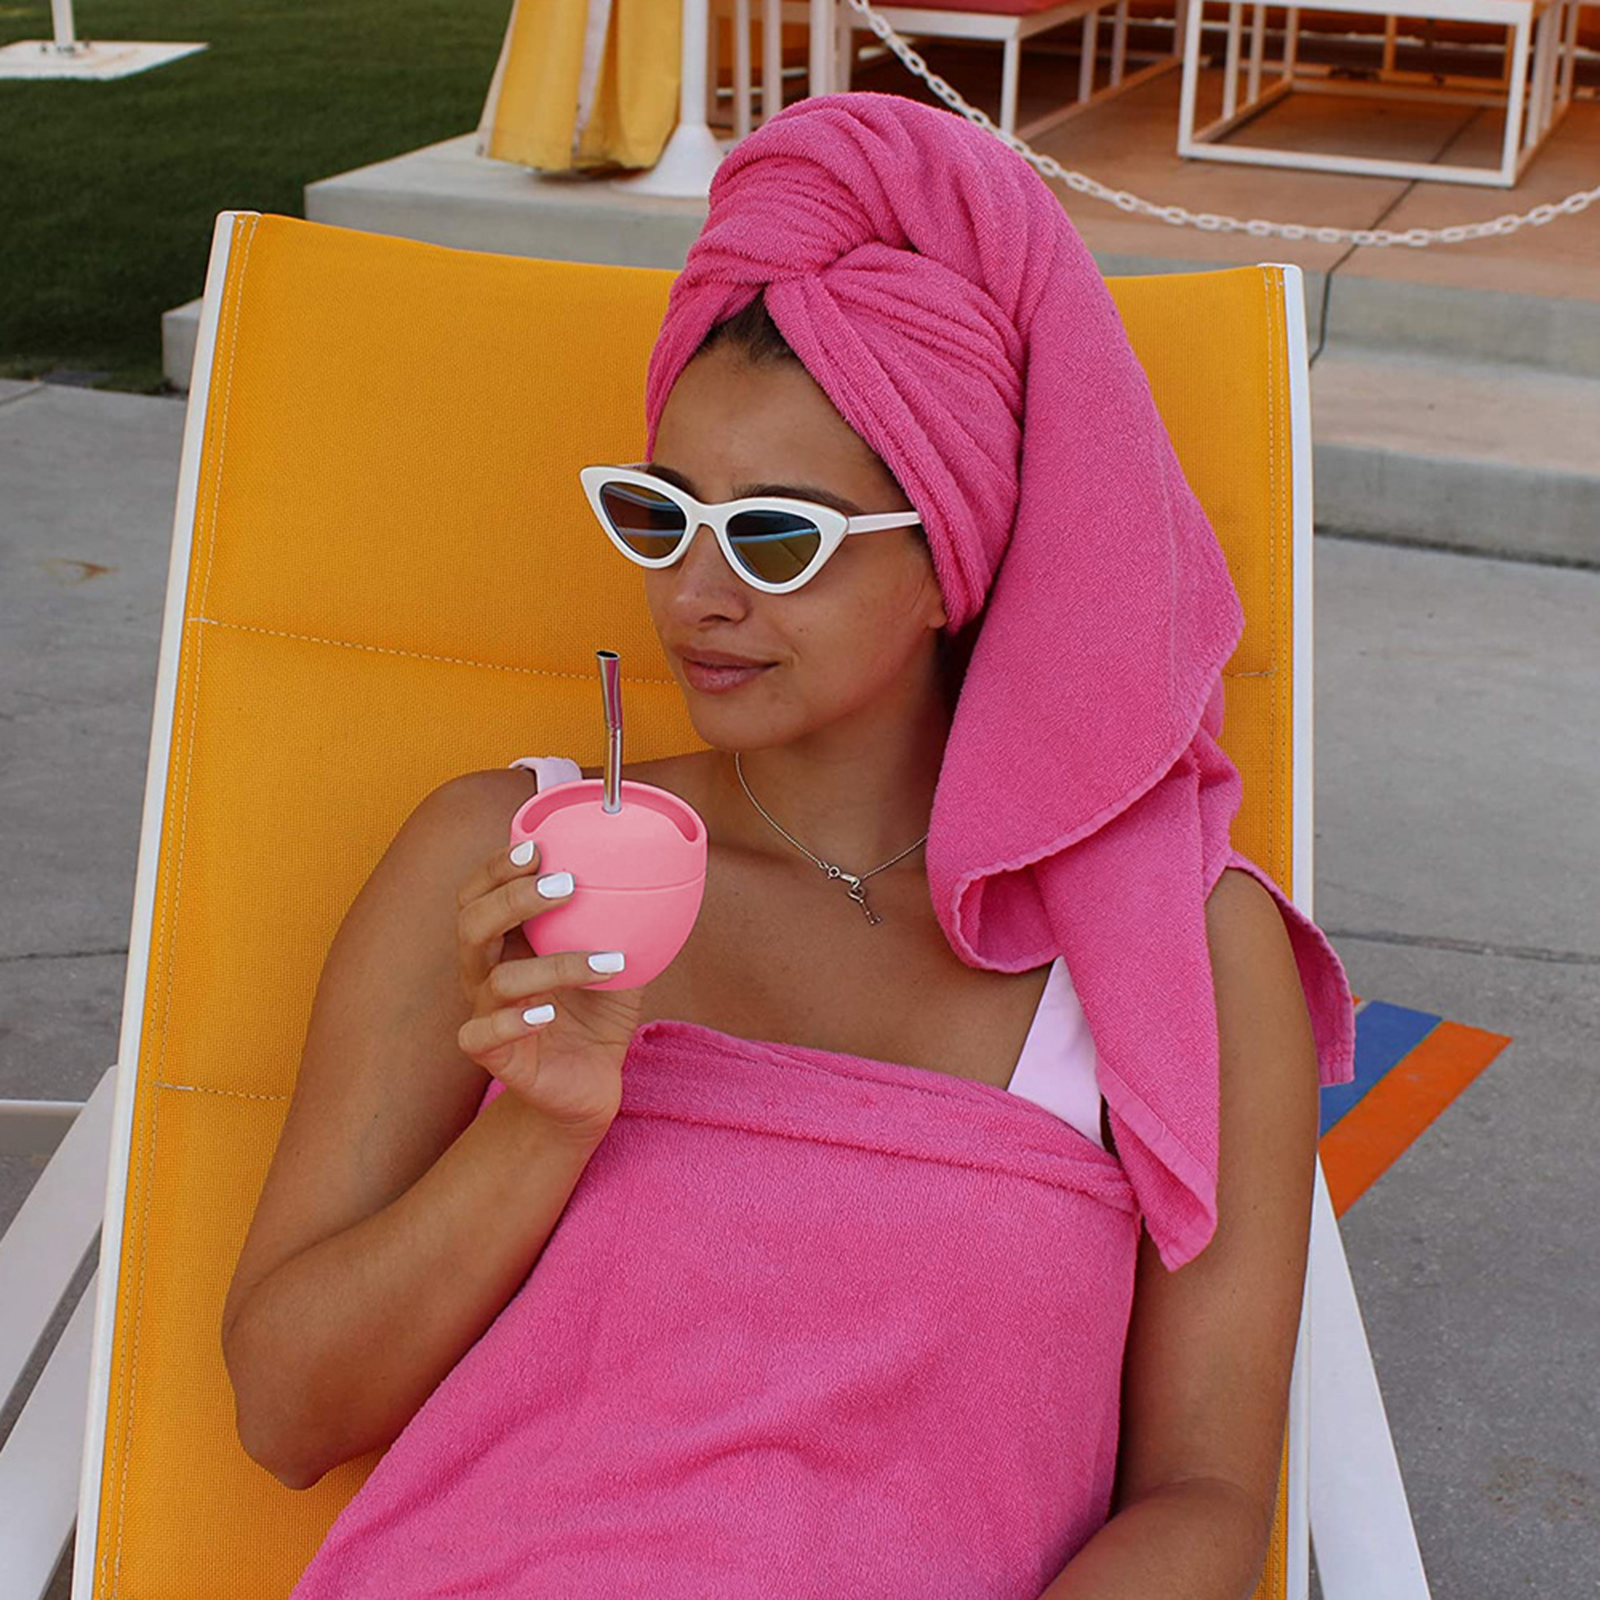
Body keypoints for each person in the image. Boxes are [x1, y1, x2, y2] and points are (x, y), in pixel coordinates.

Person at [222, 91, 1354, 1599]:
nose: (697, 593)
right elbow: (287, 1412)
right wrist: (537, 1128)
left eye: (777, 536)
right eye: (660, 514)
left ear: (954, 561)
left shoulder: (1172, 948)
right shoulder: (508, 860)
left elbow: (1206, 1495)